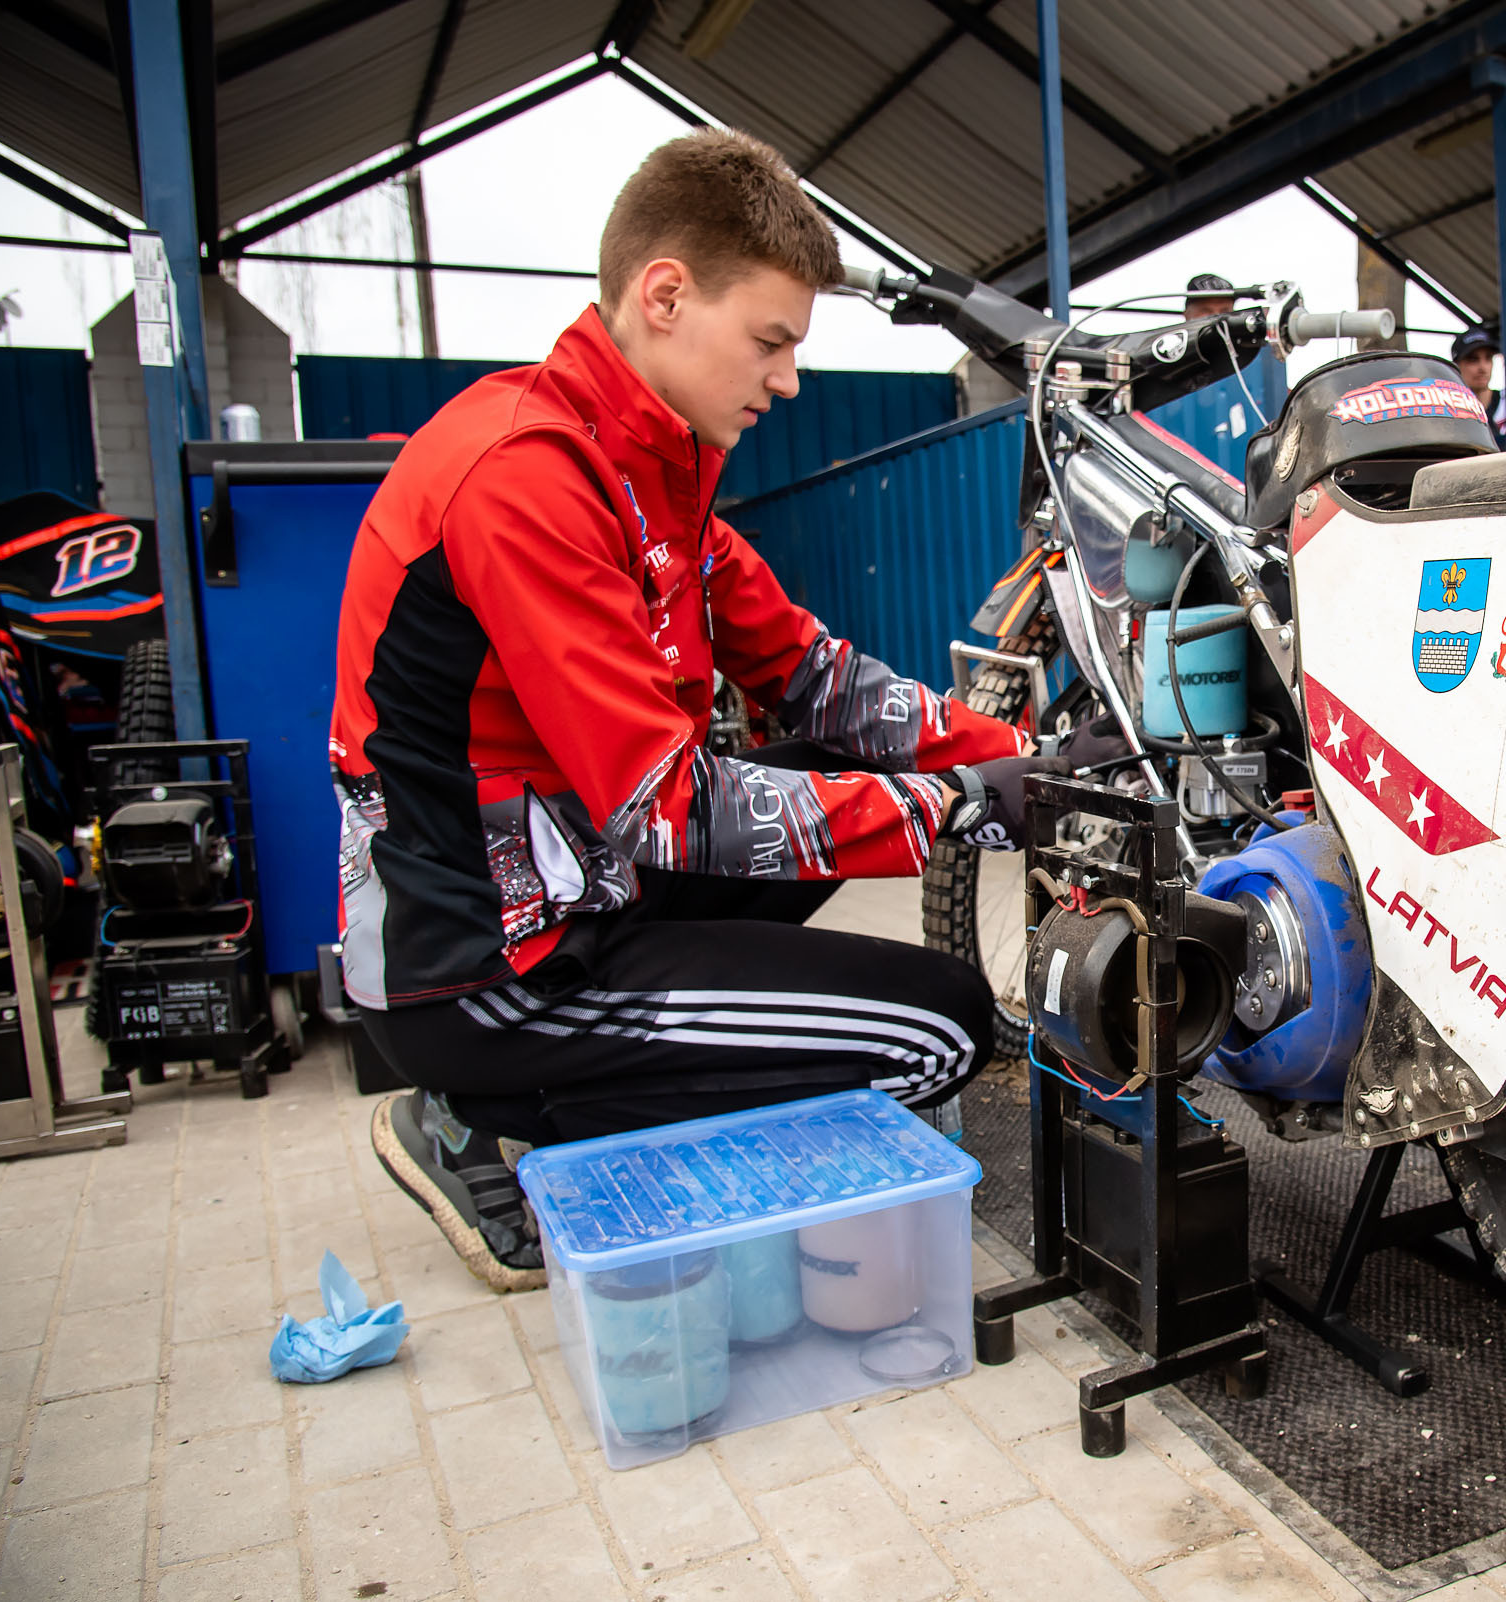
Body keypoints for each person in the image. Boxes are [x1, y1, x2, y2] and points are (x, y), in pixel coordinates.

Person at [339, 130, 1117, 1291]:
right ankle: (485, 1118)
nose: (788, 379)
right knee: (940, 1029)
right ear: (666, 296)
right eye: (771, 341)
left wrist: (1036, 762)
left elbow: (818, 680)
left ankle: (589, 1085)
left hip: (577, 879)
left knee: (807, 756)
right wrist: (959, 808)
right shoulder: (527, 481)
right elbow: (669, 809)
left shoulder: (653, 473)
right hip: (490, 973)